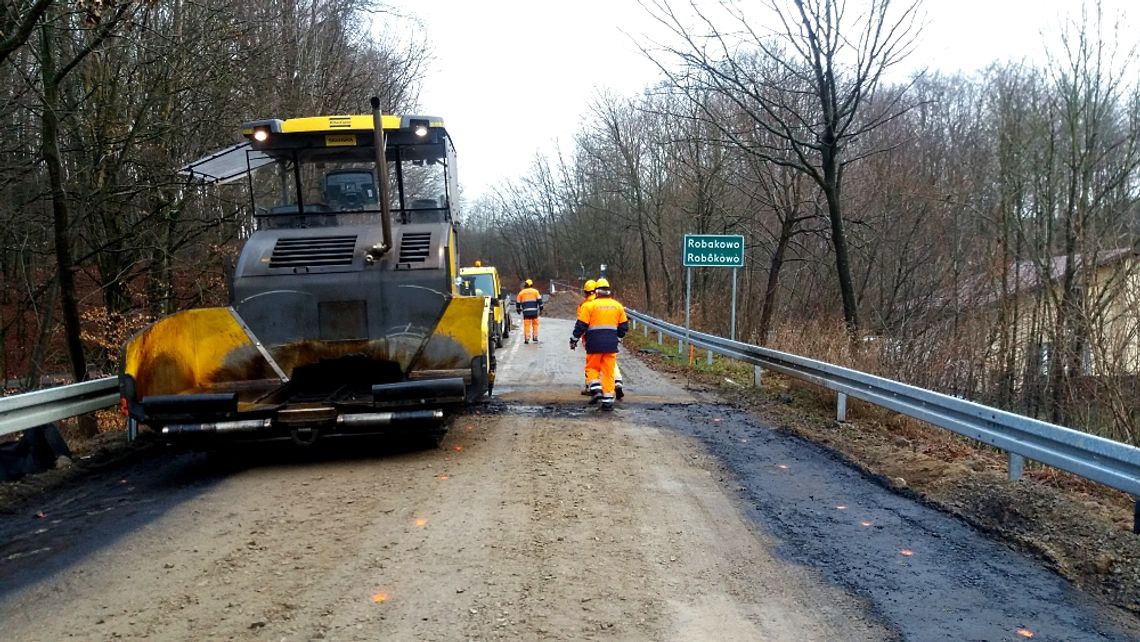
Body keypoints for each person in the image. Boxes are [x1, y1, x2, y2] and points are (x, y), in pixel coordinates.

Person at [569, 277, 628, 411]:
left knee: (592, 368)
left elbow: (581, 325)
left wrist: (574, 339)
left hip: (593, 344)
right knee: (608, 372)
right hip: (611, 346)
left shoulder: (589, 306)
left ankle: (596, 390)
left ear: (597, 291)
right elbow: (624, 327)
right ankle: (608, 402)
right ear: (608, 290)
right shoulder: (617, 306)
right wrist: (617, 338)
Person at [516, 279, 543, 343]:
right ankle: (535, 336)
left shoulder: (521, 292)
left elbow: (518, 302)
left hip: (526, 312)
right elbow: (540, 301)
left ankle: (527, 338)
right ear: (531, 284)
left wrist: (518, 309)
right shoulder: (535, 292)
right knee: (535, 324)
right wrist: (541, 308)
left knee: (527, 325)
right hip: (534, 311)